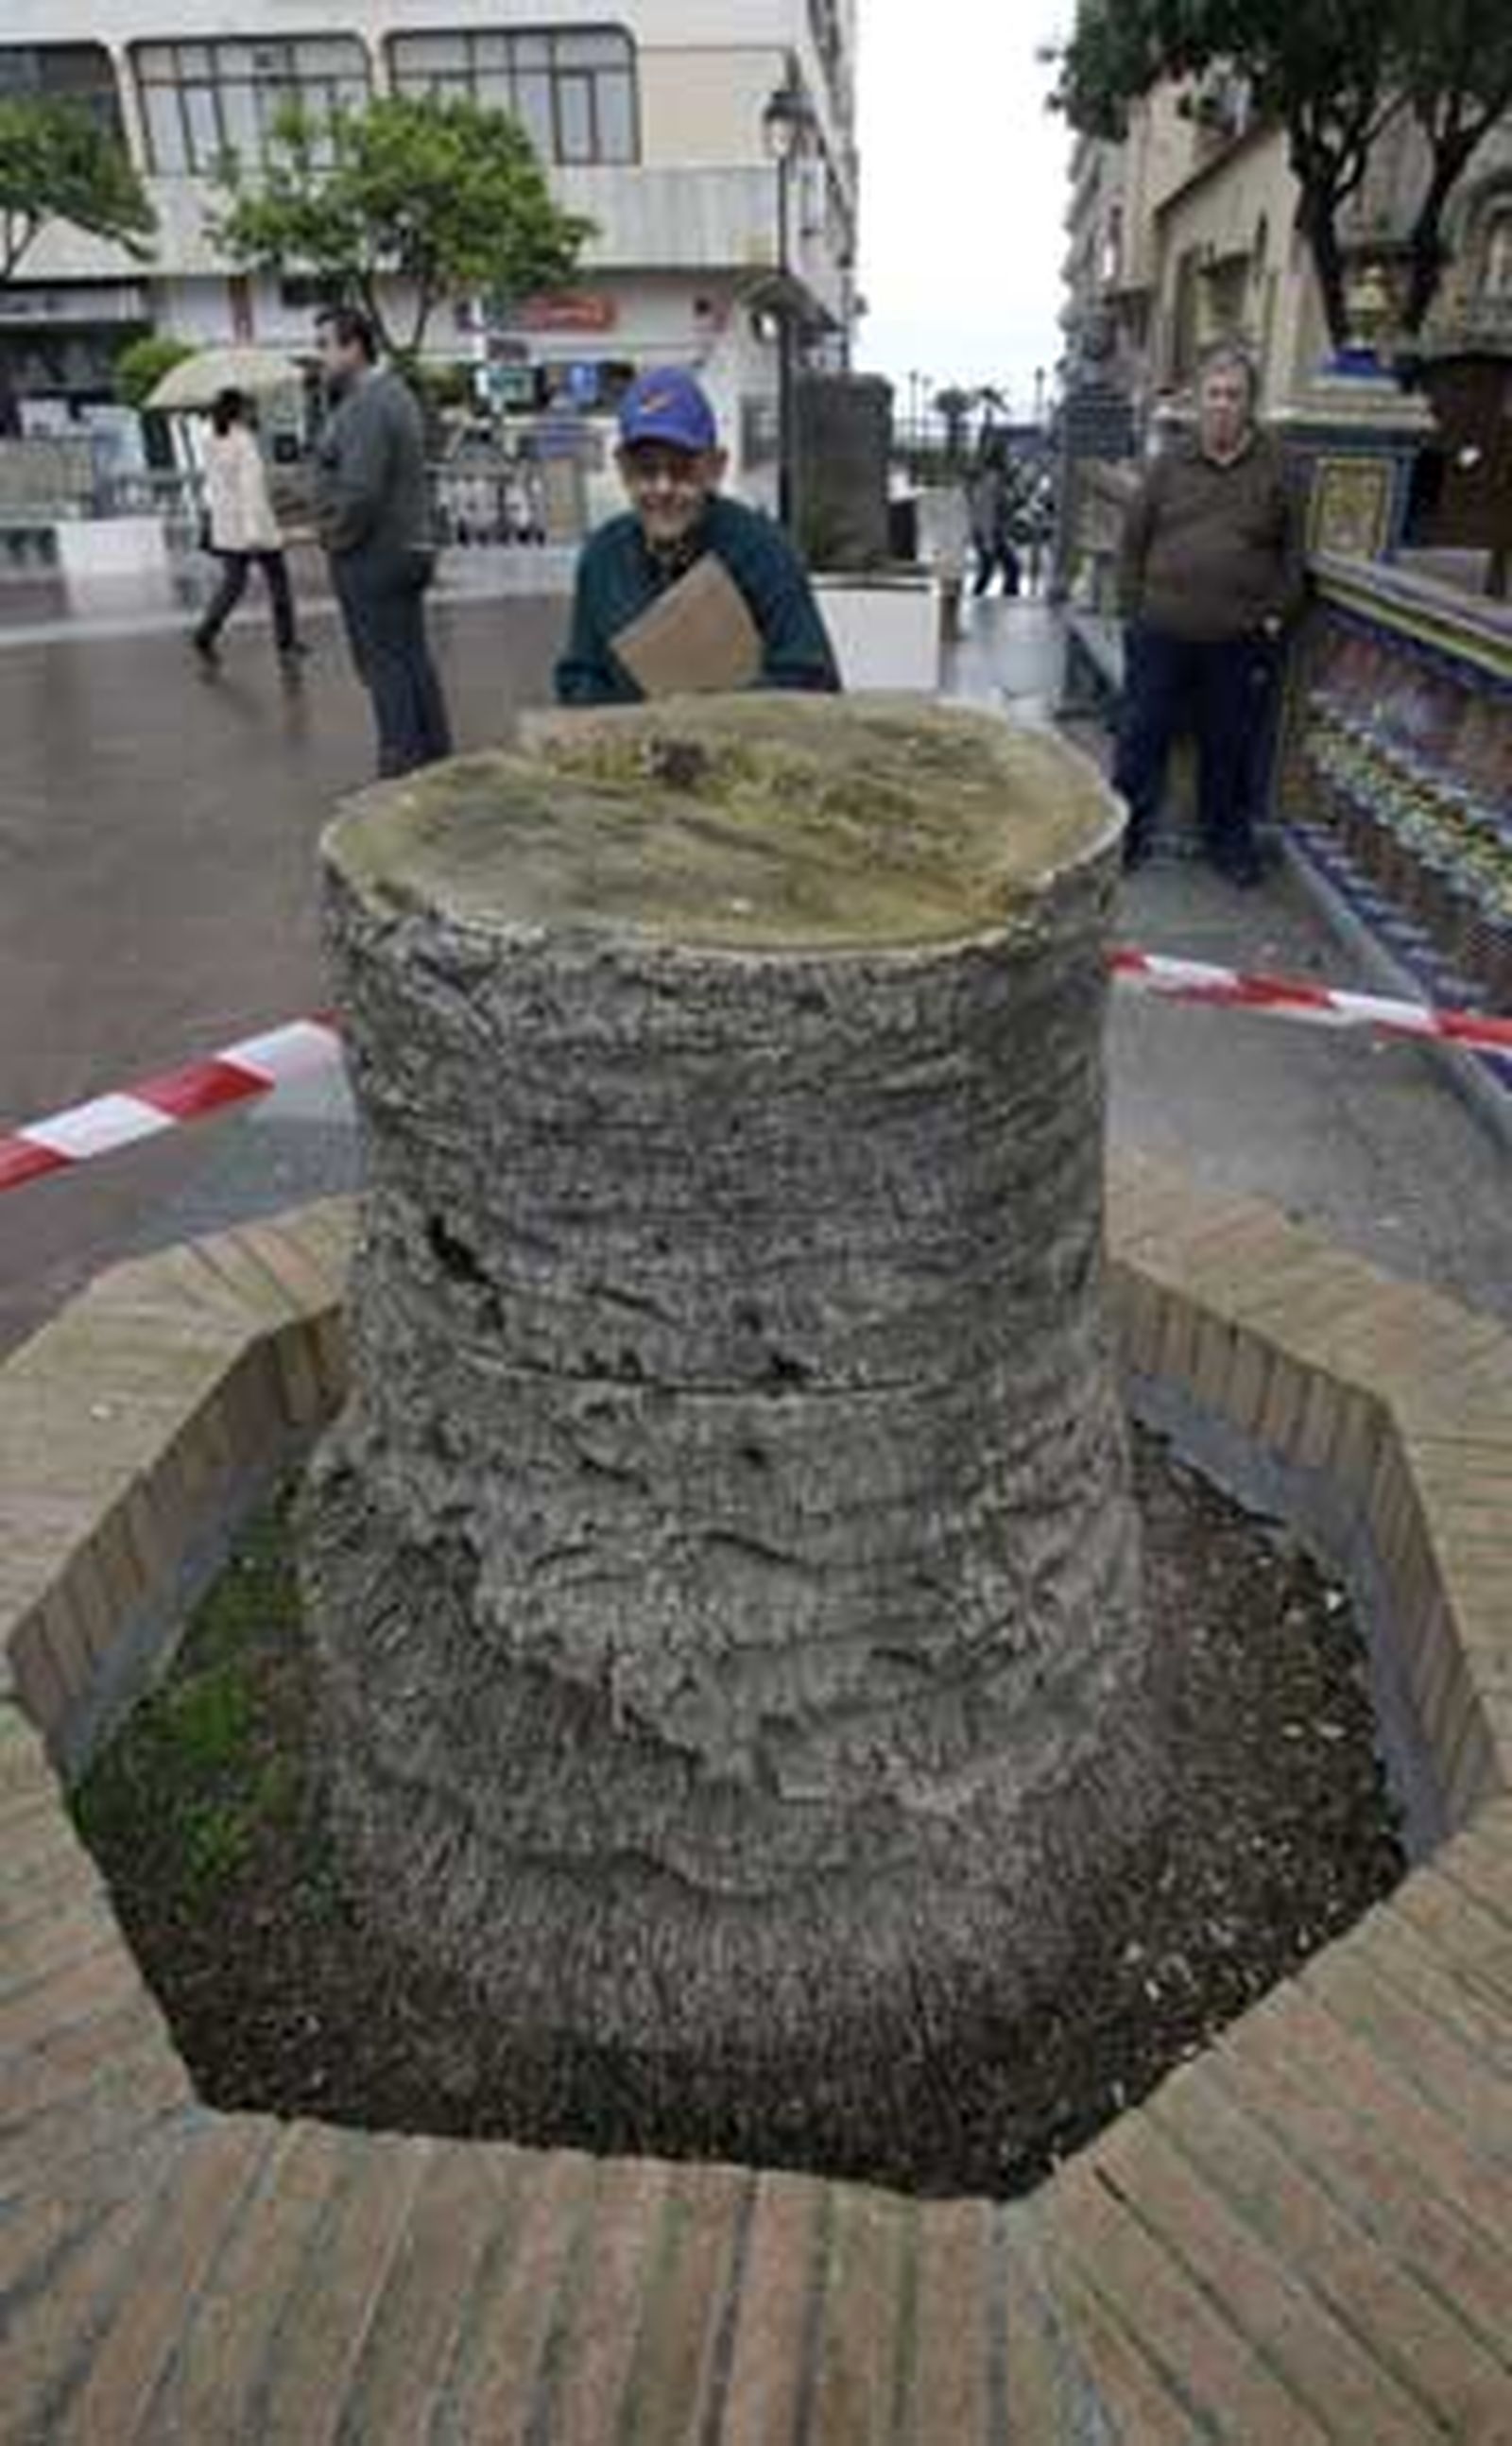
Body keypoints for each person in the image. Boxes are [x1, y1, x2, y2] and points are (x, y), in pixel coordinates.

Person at [1114, 342, 1305, 885]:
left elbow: (1294, 553)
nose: (1222, 405)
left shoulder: (1279, 468)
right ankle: (1126, 836)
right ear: (1199, 402)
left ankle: (1228, 843)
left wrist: (1274, 615)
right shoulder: (1169, 463)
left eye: (1234, 396)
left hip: (1237, 637)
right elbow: (1133, 541)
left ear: (1251, 404)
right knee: (1140, 736)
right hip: (1161, 631)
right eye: (1214, 395)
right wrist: (1135, 609)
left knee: (1230, 744)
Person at [555, 369, 840, 704]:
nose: (663, 488)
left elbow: (812, 679)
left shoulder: (765, 552)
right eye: (646, 470)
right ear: (622, 470)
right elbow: (580, 674)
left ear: (714, 469)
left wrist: (711, 708)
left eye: (681, 470)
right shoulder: (603, 558)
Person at [313, 305, 453, 777]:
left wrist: (331, 536)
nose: (322, 358)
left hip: (375, 552)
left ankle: (399, 770)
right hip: (410, 547)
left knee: (384, 665)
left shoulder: (367, 405)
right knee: (410, 657)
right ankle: (434, 759)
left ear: (354, 347)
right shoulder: (397, 395)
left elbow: (360, 492)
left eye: (326, 345)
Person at [192, 389, 304, 669]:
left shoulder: (210, 441)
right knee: (279, 584)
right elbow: (251, 490)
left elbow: (218, 488)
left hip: (228, 528)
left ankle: (205, 632)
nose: (254, 412)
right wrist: (254, 532)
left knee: (233, 586)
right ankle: (287, 643)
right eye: (250, 407)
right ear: (239, 411)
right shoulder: (244, 442)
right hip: (255, 529)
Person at [968, 455, 1022, 599]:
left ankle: (979, 597)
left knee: (997, 569)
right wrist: (988, 541)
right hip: (988, 534)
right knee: (1009, 568)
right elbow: (986, 514)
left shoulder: (992, 483)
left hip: (989, 534)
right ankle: (1006, 599)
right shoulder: (991, 484)